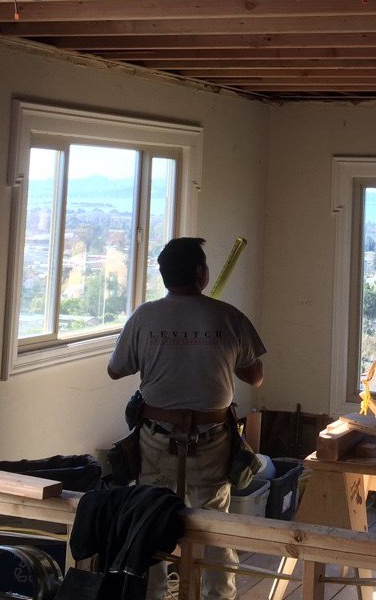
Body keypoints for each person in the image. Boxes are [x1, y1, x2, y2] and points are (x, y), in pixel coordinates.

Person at [108, 237, 266, 600]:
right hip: (211, 441)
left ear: (164, 275)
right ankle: (216, 596)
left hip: (155, 439)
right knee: (215, 529)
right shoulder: (228, 316)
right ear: (200, 272)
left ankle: (154, 594)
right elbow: (255, 377)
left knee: (150, 523)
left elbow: (116, 369)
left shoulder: (144, 317)